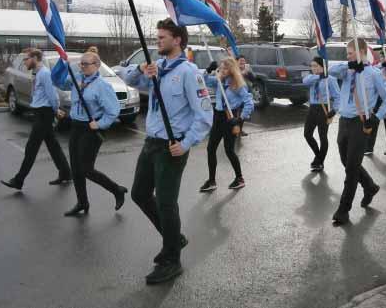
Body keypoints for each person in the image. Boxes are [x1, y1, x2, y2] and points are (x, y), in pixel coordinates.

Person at [123, 18, 213, 284]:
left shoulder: (189, 73)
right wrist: (141, 69)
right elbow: (127, 78)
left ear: (177, 40)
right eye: (157, 36)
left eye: (162, 37)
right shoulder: (157, 66)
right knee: (139, 193)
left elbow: (204, 116)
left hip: (171, 147)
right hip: (151, 142)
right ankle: (174, 238)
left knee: (165, 202)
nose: (157, 40)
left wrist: (185, 144)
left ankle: (172, 259)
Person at [328, 38, 386, 225]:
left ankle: (343, 209)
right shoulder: (346, 70)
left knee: (351, 168)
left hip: (361, 123)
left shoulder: (374, 74)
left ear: (362, 51)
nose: (347, 56)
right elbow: (330, 71)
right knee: (345, 160)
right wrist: (349, 63)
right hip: (344, 121)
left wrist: (376, 117)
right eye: (347, 54)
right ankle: (369, 186)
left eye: (350, 53)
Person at [55, 51, 127, 216]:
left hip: (91, 129)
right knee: (75, 168)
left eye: (86, 64)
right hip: (76, 126)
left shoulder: (102, 86)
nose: (82, 66)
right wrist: (61, 62)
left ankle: (117, 190)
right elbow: (57, 80)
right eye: (81, 63)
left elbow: (113, 110)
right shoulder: (77, 80)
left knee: (86, 169)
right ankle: (82, 202)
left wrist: (100, 124)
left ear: (97, 66)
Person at [1, 48, 71, 190]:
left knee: (31, 148)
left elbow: (52, 94)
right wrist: (55, 109)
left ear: (34, 58)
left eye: (26, 59)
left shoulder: (44, 74)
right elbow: (46, 95)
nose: (25, 62)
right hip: (41, 112)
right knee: (53, 145)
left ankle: (18, 180)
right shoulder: (38, 73)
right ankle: (66, 173)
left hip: (44, 114)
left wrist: (55, 109)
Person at [200, 57, 254, 192]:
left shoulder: (237, 84)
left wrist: (240, 119)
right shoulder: (219, 81)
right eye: (221, 68)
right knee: (211, 148)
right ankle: (211, 180)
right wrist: (208, 70)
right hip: (217, 117)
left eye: (225, 68)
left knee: (229, 150)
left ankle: (239, 178)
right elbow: (201, 81)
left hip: (230, 118)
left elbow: (249, 103)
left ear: (231, 69)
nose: (222, 71)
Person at [302, 56, 340, 172]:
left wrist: (334, 111)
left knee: (322, 136)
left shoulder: (331, 79)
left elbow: (338, 97)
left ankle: (319, 162)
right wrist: (319, 76)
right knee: (307, 134)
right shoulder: (312, 78)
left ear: (322, 67)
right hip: (312, 108)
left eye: (315, 66)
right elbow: (305, 82)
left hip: (324, 109)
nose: (313, 68)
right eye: (311, 66)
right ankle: (319, 157)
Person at [237, 55, 256, 136]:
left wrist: (248, 73)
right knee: (236, 112)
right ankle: (235, 130)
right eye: (240, 61)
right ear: (237, 62)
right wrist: (242, 73)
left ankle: (240, 130)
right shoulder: (235, 70)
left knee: (243, 113)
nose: (242, 62)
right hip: (237, 94)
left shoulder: (248, 69)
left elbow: (253, 78)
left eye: (243, 61)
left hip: (246, 93)